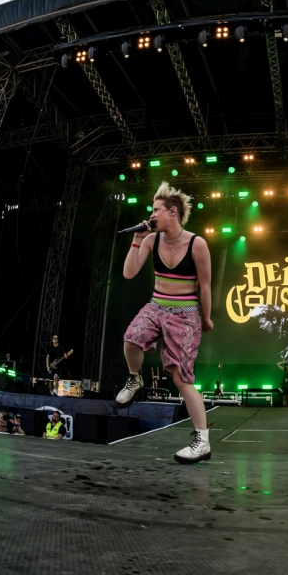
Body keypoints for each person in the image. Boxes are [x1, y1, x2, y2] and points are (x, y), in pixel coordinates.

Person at [117, 182, 213, 464]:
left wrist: (206, 318)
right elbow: (129, 273)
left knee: (182, 380)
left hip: (186, 314)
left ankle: (202, 442)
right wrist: (137, 239)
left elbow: (205, 286)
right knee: (131, 339)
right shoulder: (151, 240)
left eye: (156, 209)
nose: (151, 214)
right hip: (156, 306)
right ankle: (135, 378)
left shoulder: (197, 244)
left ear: (172, 212)